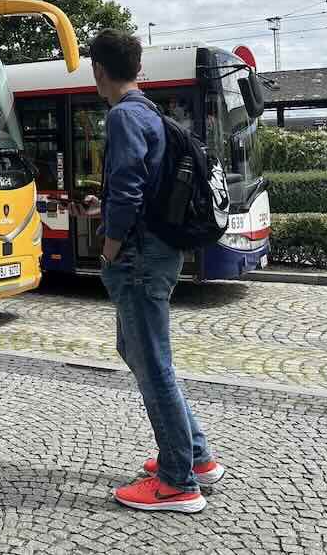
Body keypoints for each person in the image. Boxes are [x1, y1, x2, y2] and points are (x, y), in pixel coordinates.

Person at [72, 30, 223, 513]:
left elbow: (132, 187)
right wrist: (106, 206)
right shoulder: (151, 113)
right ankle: (195, 457)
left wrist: (109, 249)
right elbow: (141, 189)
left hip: (138, 256)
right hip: (158, 249)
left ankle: (178, 483)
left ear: (98, 70)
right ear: (137, 68)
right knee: (141, 352)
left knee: (152, 362)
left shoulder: (121, 116)